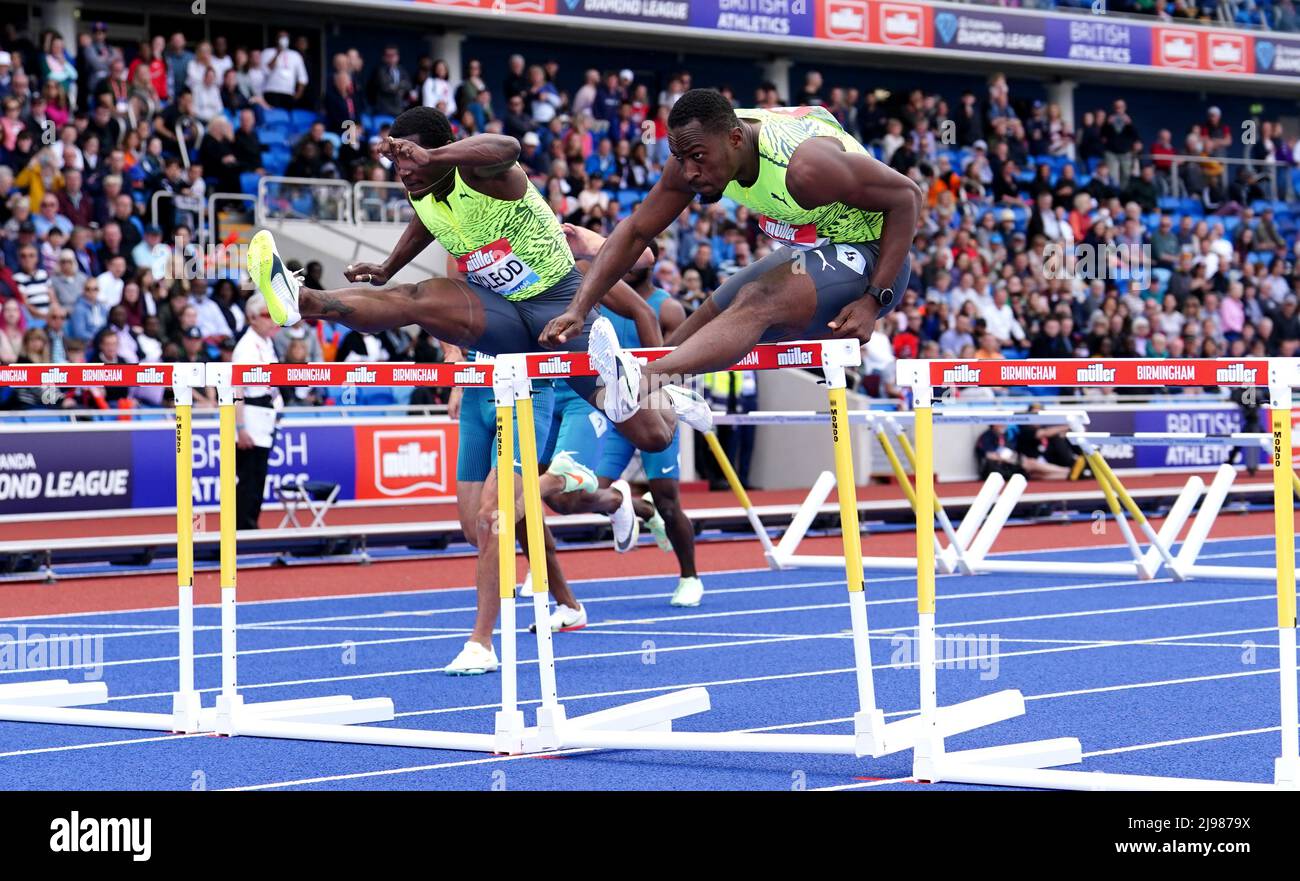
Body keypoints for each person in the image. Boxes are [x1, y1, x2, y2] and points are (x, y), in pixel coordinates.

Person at [246, 106, 711, 455]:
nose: (402, 169)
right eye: (396, 160)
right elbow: (430, 220)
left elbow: (509, 147)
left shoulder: (483, 174)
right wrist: (389, 266)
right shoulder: (420, 188)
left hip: (557, 305)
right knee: (414, 298)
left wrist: (434, 154)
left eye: (410, 159)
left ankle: (659, 393)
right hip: (502, 311)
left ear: (438, 153)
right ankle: (300, 299)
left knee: (653, 435)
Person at [537, 90, 918, 431]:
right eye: (680, 158)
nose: (689, 173)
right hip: (815, 245)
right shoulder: (701, 148)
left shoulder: (806, 169)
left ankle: (640, 380)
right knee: (714, 309)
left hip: (874, 253)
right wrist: (579, 307)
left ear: (736, 139)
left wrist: (874, 298)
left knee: (757, 299)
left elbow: (907, 197)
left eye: (698, 159)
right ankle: (667, 388)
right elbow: (636, 231)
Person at [231, 293, 283, 530]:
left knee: (258, 477)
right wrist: (240, 428)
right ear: (252, 318)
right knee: (249, 479)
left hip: (265, 415)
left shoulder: (267, 343)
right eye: (267, 315)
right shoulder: (246, 347)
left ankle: (250, 524)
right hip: (250, 417)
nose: (273, 320)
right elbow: (236, 389)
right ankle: (243, 528)